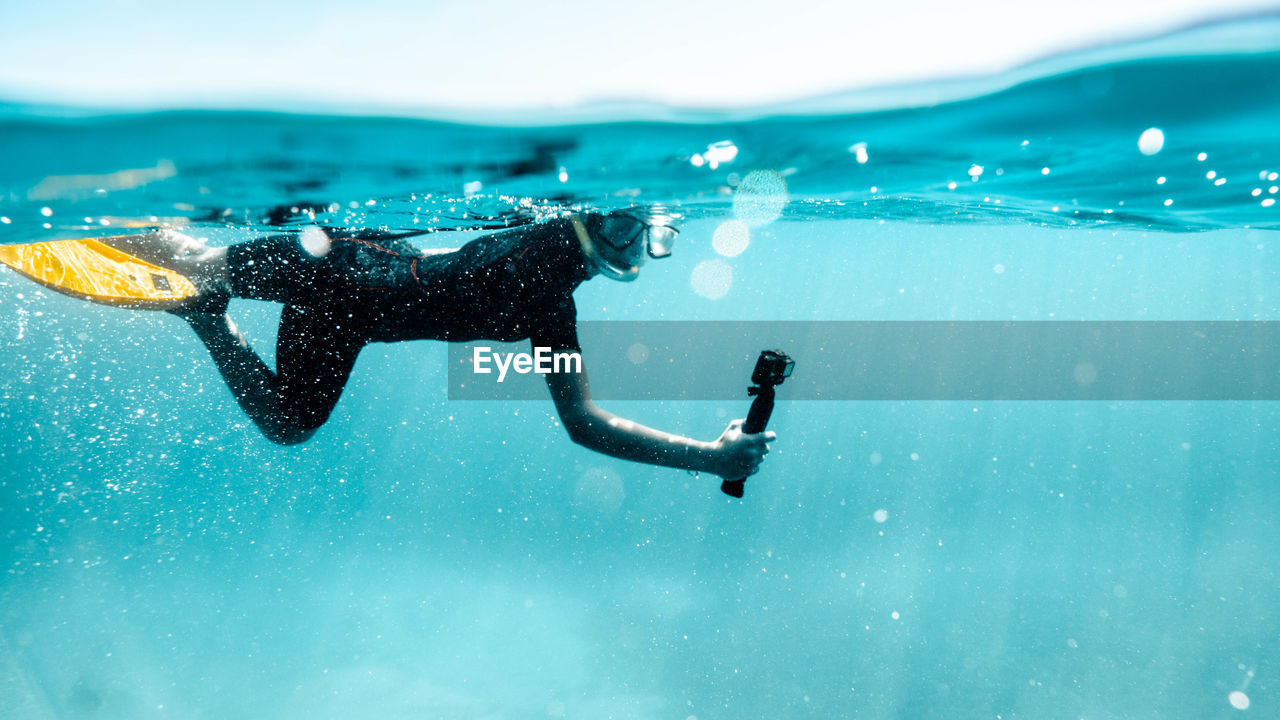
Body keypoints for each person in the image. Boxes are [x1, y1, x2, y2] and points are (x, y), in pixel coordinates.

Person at [113, 208, 776, 487]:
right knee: (199, 259)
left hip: (346, 316)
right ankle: (120, 226)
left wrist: (710, 458)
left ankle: (204, 316)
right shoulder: (541, 245)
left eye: (647, 236)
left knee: (289, 422)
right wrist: (709, 461)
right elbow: (584, 423)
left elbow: (583, 423)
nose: (632, 246)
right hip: (334, 263)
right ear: (589, 214)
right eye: (625, 225)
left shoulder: (551, 310)